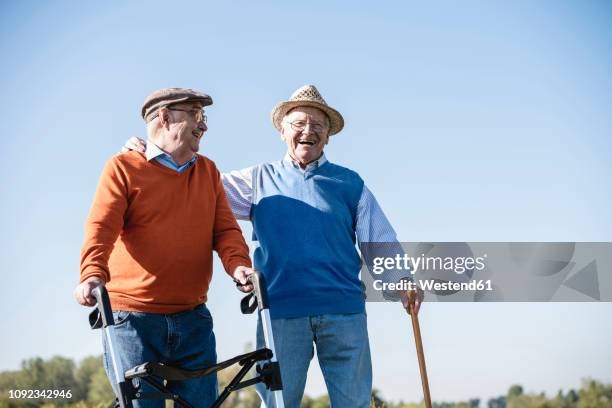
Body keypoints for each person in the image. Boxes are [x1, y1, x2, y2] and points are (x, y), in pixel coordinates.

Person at [123, 85, 423, 408]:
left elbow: (378, 242)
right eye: (299, 124)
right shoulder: (258, 180)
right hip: (280, 314)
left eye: (318, 125)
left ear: (328, 136)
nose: (308, 131)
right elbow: (196, 184)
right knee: (277, 404)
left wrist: (402, 280)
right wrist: (152, 154)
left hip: (344, 314)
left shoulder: (350, 184)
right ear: (283, 131)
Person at [76, 87, 255, 408]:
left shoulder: (207, 171)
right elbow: (102, 227)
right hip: (132, 322)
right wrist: (91, 273)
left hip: (193, 319)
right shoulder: (123, 167)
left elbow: (226, 230)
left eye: (205, 117)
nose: (204, 126)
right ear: (165, 117)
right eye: (196, 116)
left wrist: (238, 265)